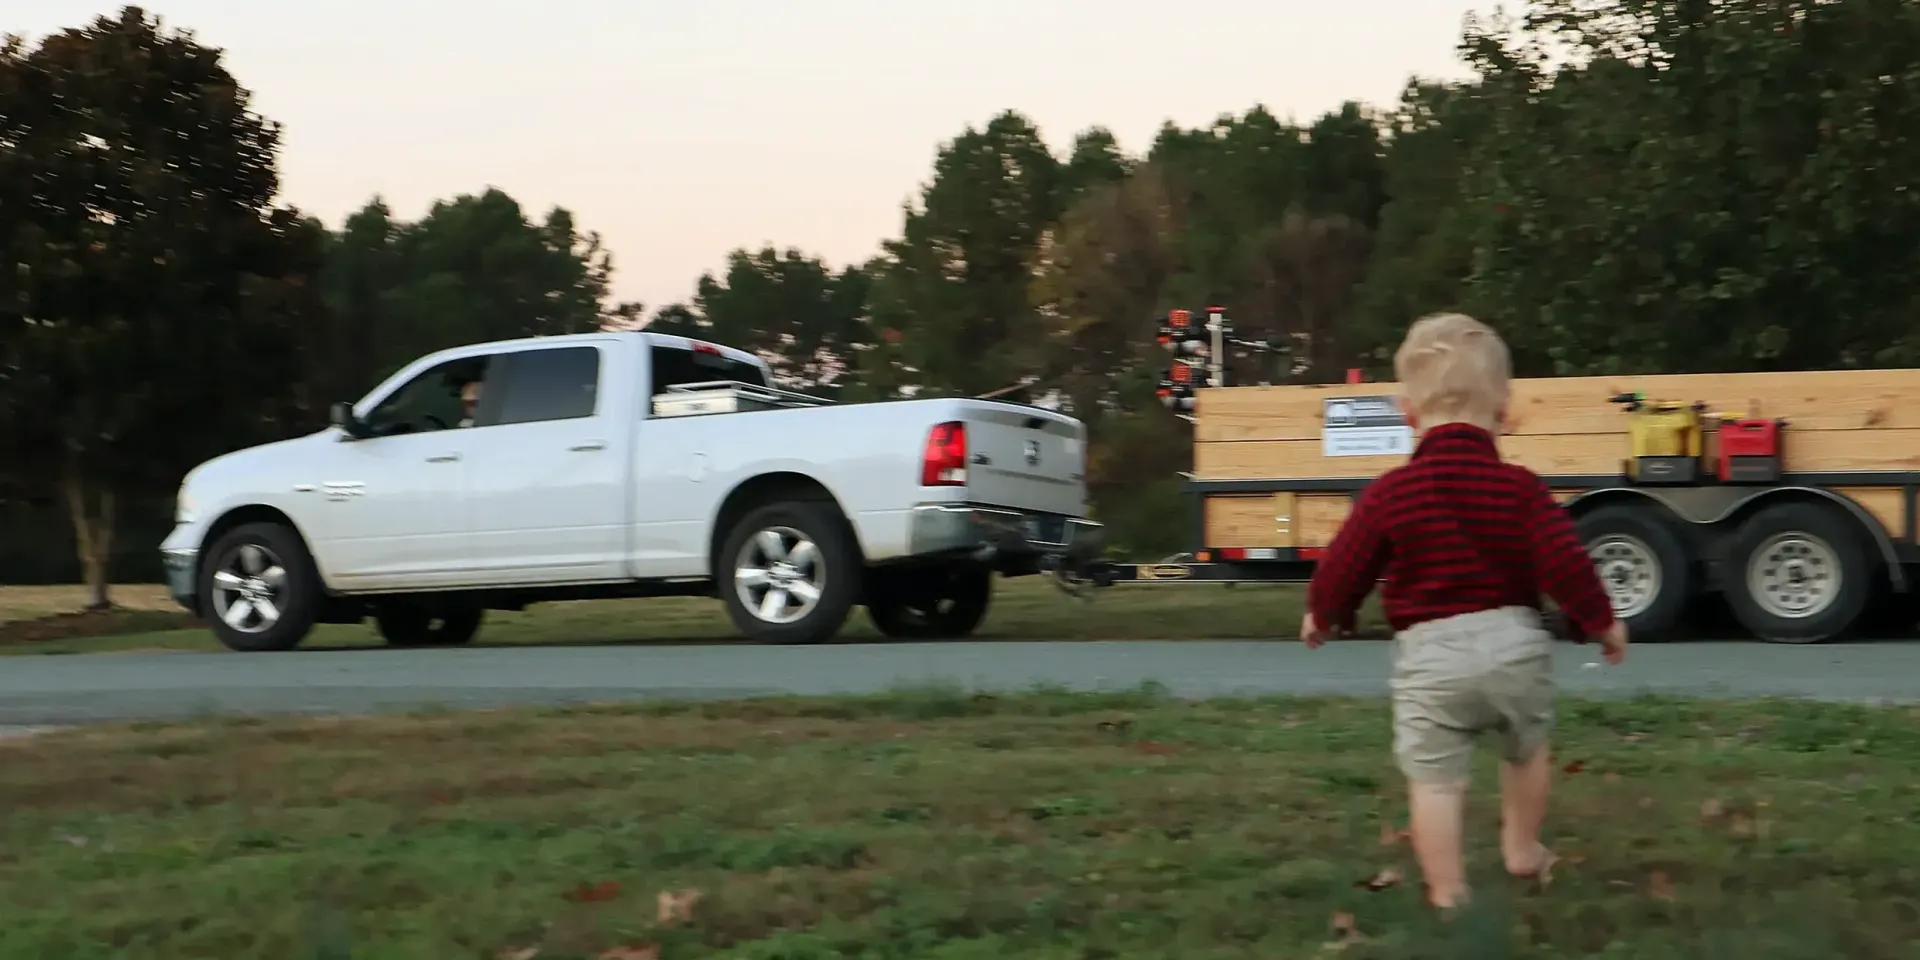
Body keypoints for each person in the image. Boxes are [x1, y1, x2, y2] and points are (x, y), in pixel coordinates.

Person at [1300, 312, 1628, 912]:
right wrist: (1601, 622)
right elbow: (1566, 564)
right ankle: (1522, 848)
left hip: (1432, 657)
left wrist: (1324, 615)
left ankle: (1449, 890)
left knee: (1435, 779)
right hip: (1514, 646)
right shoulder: (1522, 488)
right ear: (1504, 412)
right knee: (1526, 750)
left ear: (1407, 413)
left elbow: (1345, 565)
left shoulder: (1390, 493)